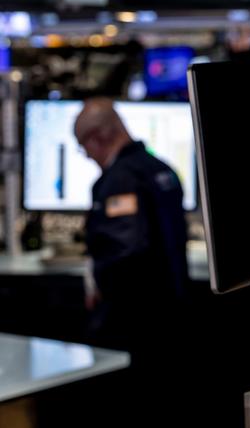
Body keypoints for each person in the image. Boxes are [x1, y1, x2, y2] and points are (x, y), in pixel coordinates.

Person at [74, 98, 189, 351]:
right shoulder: (162, 170)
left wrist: (97, 283)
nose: (88, 155)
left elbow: (124, 251)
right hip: (173, 314)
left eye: (84, 147)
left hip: (135, 324)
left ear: (96, 138)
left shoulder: (121, 180)